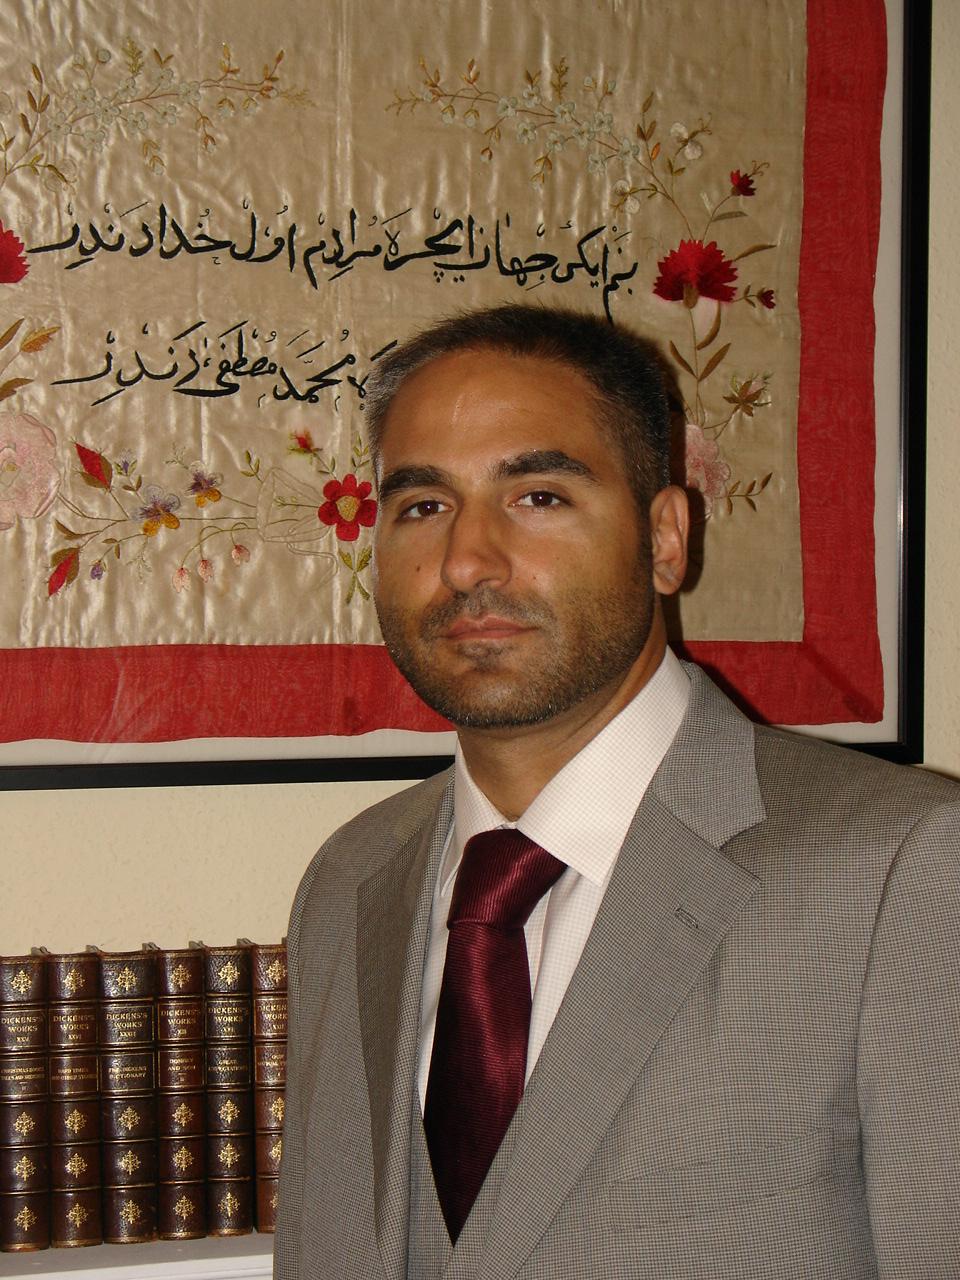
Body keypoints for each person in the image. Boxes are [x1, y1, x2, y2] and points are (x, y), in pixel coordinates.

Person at [274, 304, 960, 1280]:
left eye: (538, 495)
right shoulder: (347, 882)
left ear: (666, 538)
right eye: (423, 505)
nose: (466, 561)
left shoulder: (906, 872)